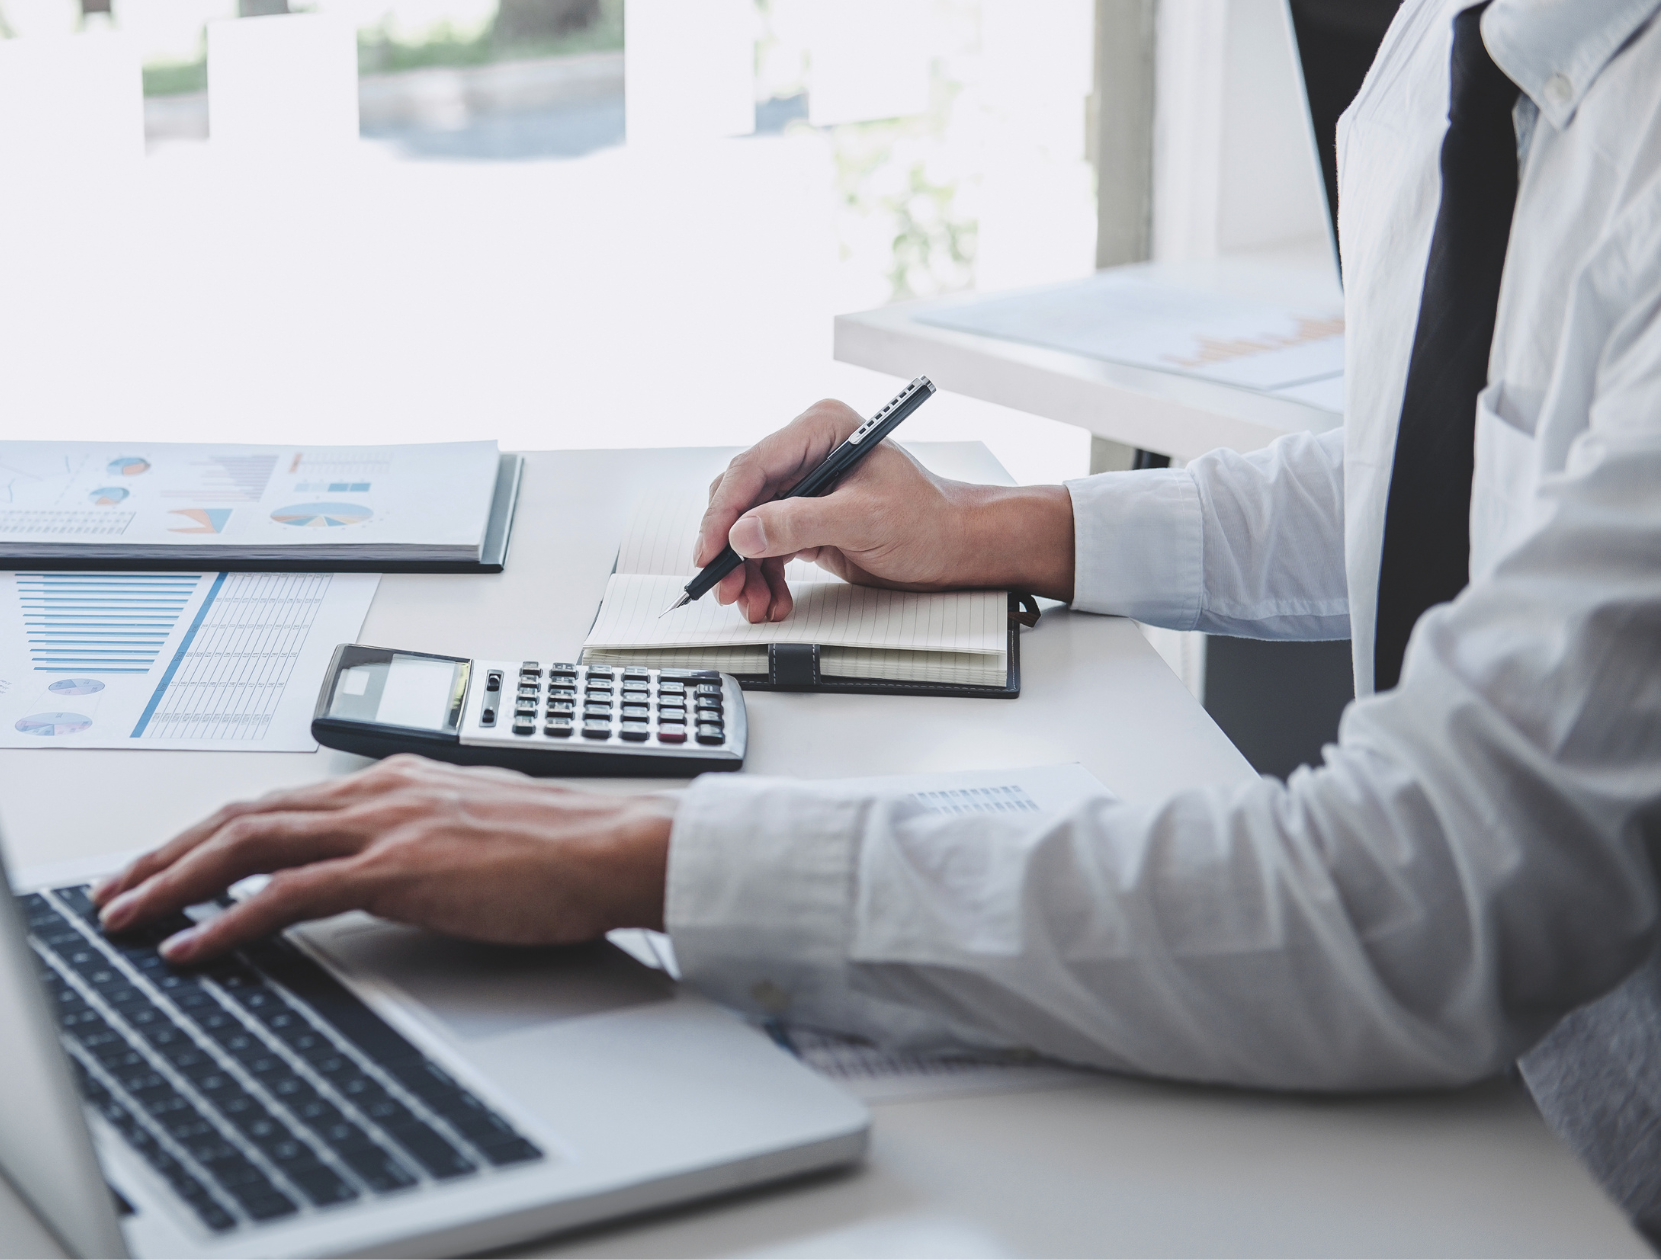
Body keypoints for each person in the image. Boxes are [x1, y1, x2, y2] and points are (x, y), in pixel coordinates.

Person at [90, 0, 1661, 1235]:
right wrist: (992, 530)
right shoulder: (1441, 58)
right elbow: (1454, 470)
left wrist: (645, 857)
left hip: (1587, 1161)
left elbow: (1420, 899)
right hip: (1458, 1097)